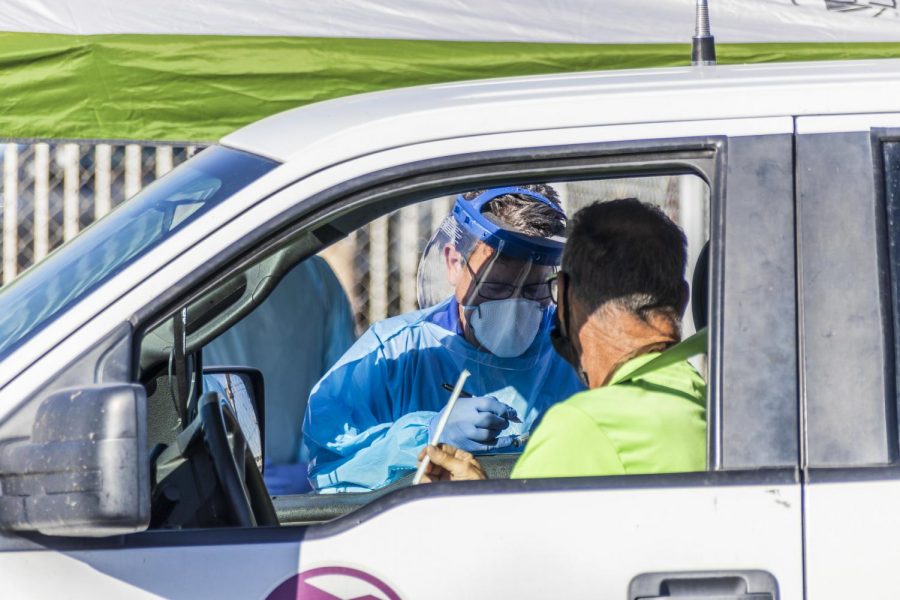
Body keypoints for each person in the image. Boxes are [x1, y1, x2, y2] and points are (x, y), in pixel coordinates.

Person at [302, 186, 585, 492]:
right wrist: (425, 436)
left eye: (533, 289)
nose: (515, 307)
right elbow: (331, 473)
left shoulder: (575, 351)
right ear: (453, 262)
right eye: (496, 286)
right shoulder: (393, 354)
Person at [418, 198, 707, 482]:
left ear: (566, 294)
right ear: (682, 299)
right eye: (496, 286)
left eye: (535, 290)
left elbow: (511, 529)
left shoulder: (583, 427)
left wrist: (475, 497)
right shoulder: (709, 400)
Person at [204, 256, 356, 495]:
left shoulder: (190, 276)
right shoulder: (317, 275)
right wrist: (308, 471)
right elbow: (343, 386)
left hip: (217, 485)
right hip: (306, 493)